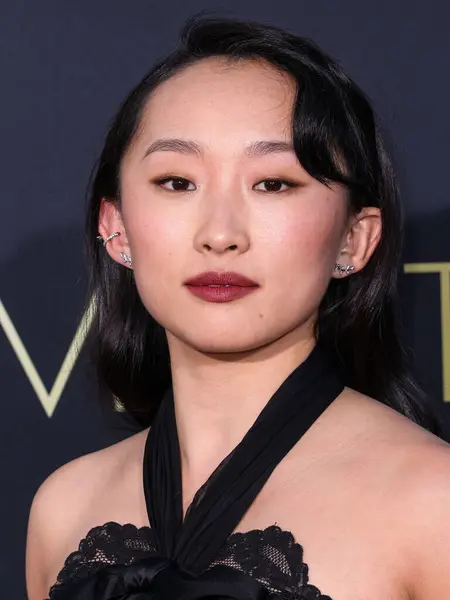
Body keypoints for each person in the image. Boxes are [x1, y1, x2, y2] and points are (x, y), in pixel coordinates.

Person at [25, 14, 450, 600]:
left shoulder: (434, 503)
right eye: (177, 182)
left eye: (273, 184)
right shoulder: (63, 506)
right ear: (116, 226)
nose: (220, 234)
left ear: (354, 239)